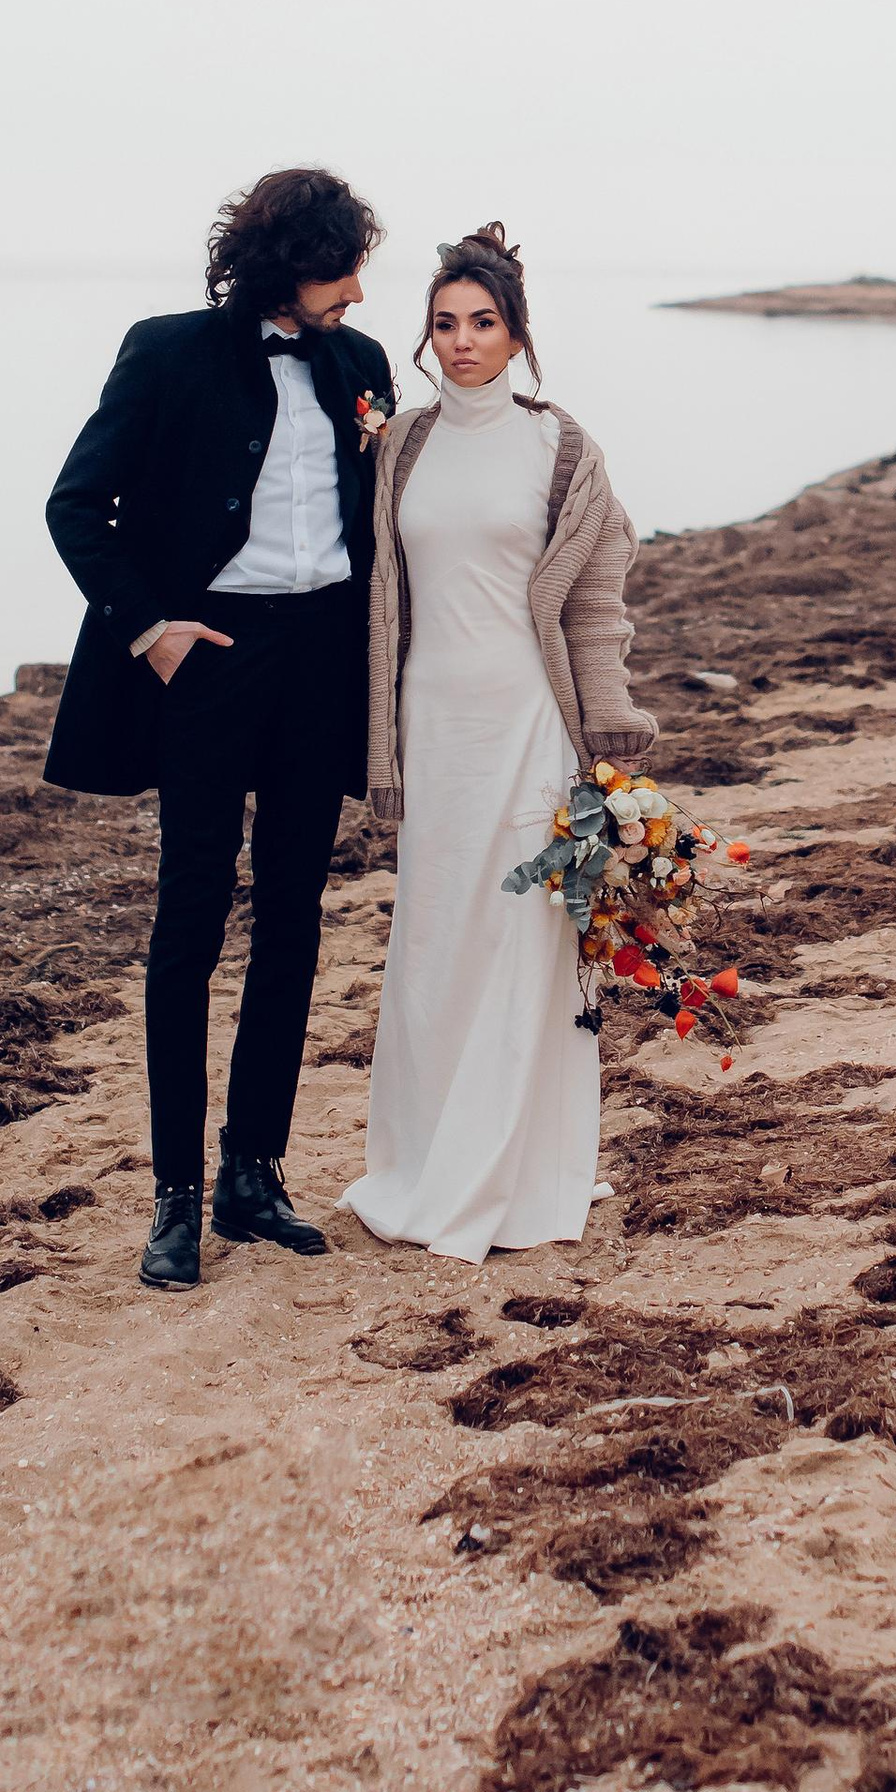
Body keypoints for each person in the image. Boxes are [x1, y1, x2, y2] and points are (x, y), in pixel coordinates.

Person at [43, 166, 397, 1291]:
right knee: (187, 926)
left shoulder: (359, 366)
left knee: (294, 918)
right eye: (340, 270)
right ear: (285, 263)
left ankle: (256, 1173)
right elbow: (74, 506)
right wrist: (151, 627)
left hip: (320, 666)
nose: (355, 292)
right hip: (207, 662)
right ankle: (176, 1198)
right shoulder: (166, 351)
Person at [344, 225, 656, 1262]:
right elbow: (373, 593)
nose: (464, 340)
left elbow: (599, 597)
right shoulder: (401, 447)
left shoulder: (562, 448)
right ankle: (425, 1164)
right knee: (436, 944)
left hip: (528, 724)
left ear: (518, 334)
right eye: (445, 324)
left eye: (483, 322)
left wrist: (609, 731)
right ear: (426, 339)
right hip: (434, 731)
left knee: (523, 941)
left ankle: (515, 1180)